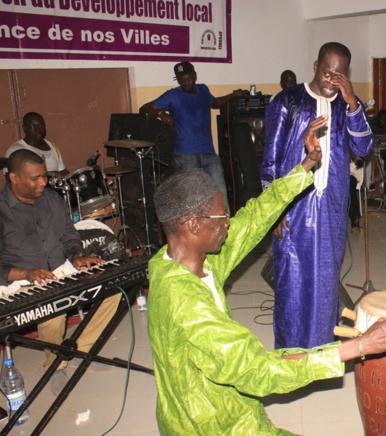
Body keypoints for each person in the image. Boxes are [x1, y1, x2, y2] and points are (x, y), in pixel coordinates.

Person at [148, 118, 386, 435]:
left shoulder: (180, 262)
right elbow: (258, 371)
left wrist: (305, 165)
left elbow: (254, 217)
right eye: (222, 217)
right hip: (210, 425)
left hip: (223, 405)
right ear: (193, 225)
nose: (229, 223)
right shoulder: (187, 305)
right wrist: (357, 347)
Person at [261, 42, 373, 349]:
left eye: (339, 76)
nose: (331, 81)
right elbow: (270, 160)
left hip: (332, 208)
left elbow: (363, 148)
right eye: (326, 73)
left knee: (326, 282)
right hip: (294, 206)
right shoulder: (287, 101)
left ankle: (322, 349)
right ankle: (291, 353)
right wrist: (274, 210)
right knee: (292, 282)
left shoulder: (347, 105)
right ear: (315, 66)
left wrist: (352, 104)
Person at [0, 150, 121, 395]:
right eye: (35, 178)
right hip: (18, 281)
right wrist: (27, 273)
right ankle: (56, 365)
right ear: (14, 178)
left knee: (113, 288)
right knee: (52, 310)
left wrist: (76, 256)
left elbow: (69, 235)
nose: (43, 182)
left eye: (44, 176)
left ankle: (79, 349)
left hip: (60, 270)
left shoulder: (52, 199)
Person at [139, 62, 249, 208]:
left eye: (189, 78)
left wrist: (234, 94)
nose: (186, 82)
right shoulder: (172, 95)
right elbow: (144, 109)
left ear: (195, 76)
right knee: (194, 199)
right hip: (186, 156)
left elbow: (215, 103)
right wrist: (161, 113)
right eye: (182, 79)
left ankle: (226, 229)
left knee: (220, 195)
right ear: (177, 80)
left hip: (209, 153)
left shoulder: (203, 90)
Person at [6, 112, 68, 176]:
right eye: (32, 127)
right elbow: (10, 178)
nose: (38, 130)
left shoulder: (52, 146)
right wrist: (49, 175)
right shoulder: (16, 150)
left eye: (41, 125)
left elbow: (63, 171)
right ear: (24, 128)